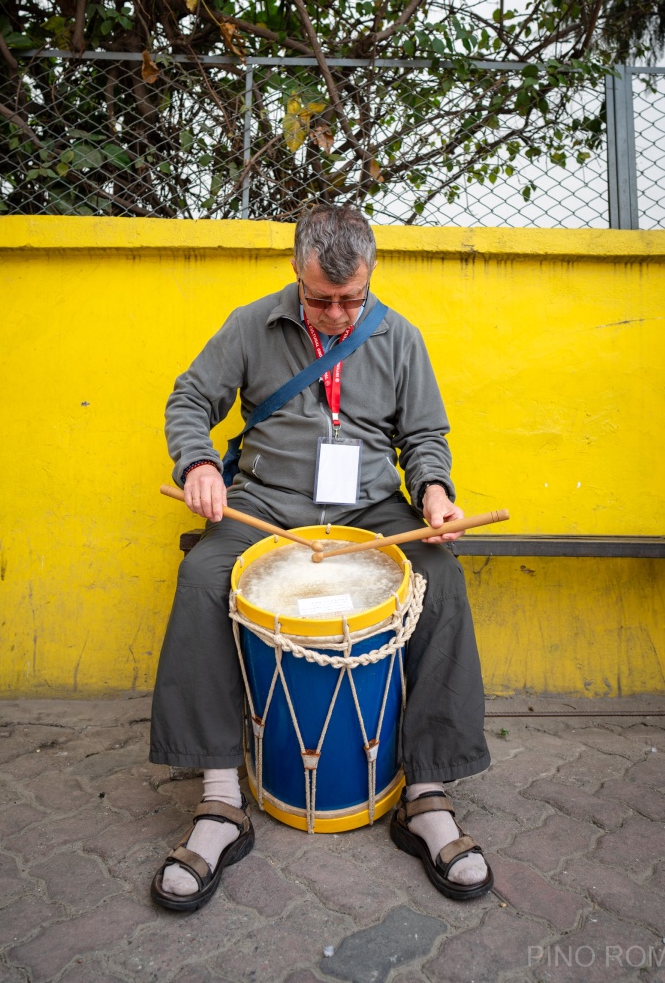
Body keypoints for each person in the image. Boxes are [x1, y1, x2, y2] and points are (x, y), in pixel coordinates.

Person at [150, 205, 492, 913]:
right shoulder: (251, 325)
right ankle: (219, 798)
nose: (337, 314)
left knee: (440, 578)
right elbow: (189, 399)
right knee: (201, 576)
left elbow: (425, 434)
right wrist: (198, 465)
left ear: (369, 279)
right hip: (267, 508)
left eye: (351, 299)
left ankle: (425, 792)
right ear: (295, 276)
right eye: (320, 300)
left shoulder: (400, 337)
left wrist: (432, 494)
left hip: (369, 511)